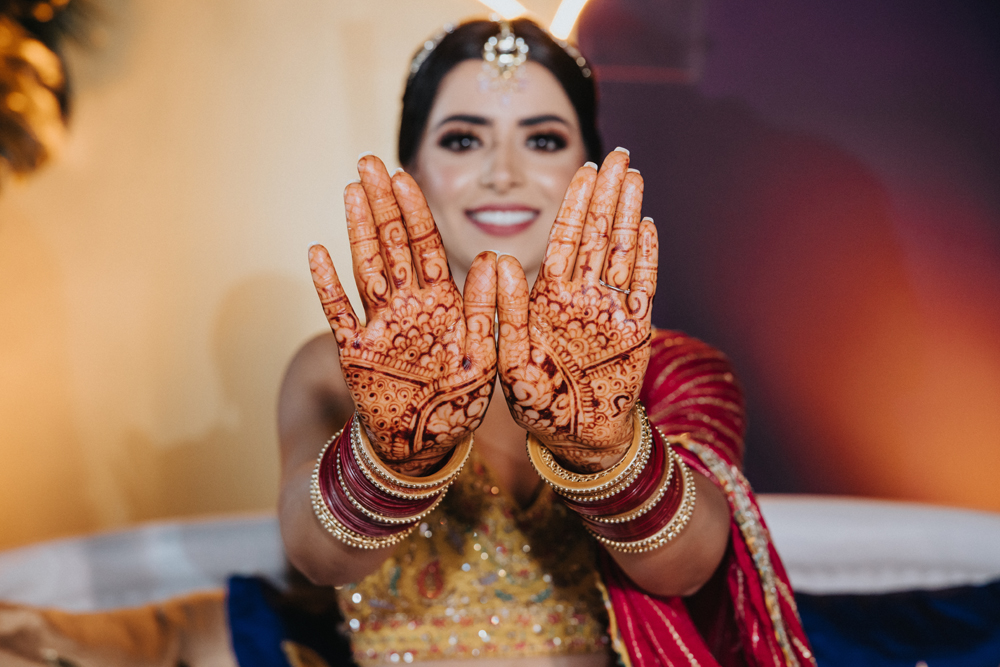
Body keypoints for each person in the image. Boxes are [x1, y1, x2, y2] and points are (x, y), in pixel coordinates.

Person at [278, 18, 813, 667]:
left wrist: (611, 453)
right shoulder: (332, 370)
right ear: (412, 168)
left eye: (542, 138)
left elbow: (689, 568)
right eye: (463, 138)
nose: (503, 172)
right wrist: (391, 459)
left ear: (583, 166)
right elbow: (317, 555)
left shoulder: (669, 370)